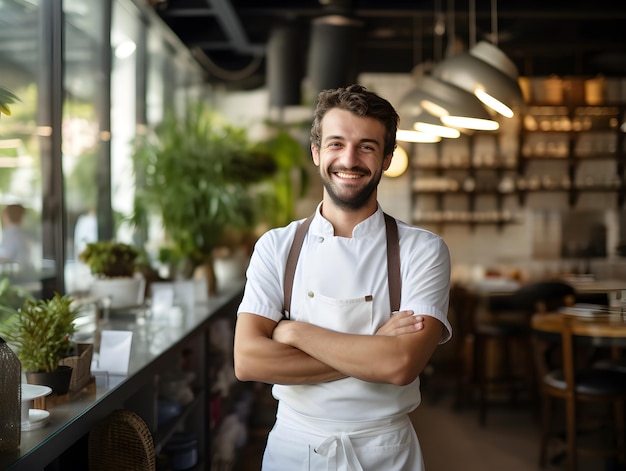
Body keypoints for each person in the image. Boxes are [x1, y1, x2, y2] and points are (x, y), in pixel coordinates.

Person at [233, 84, 451, 470]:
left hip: (385, 450)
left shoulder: (423, 250)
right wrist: (373, 348)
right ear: (317, 152)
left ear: (386, 159)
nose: (349, 159)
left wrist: (294, 333)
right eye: (336, 144)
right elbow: (248, 360)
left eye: (367, 146)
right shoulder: (277, 247)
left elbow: (400, 366)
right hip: (294, 448)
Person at [0, 204, 32, 269]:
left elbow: (6, 257)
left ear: (6, 216)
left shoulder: (10, 233)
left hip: (17, 275)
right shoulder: (23, 233)